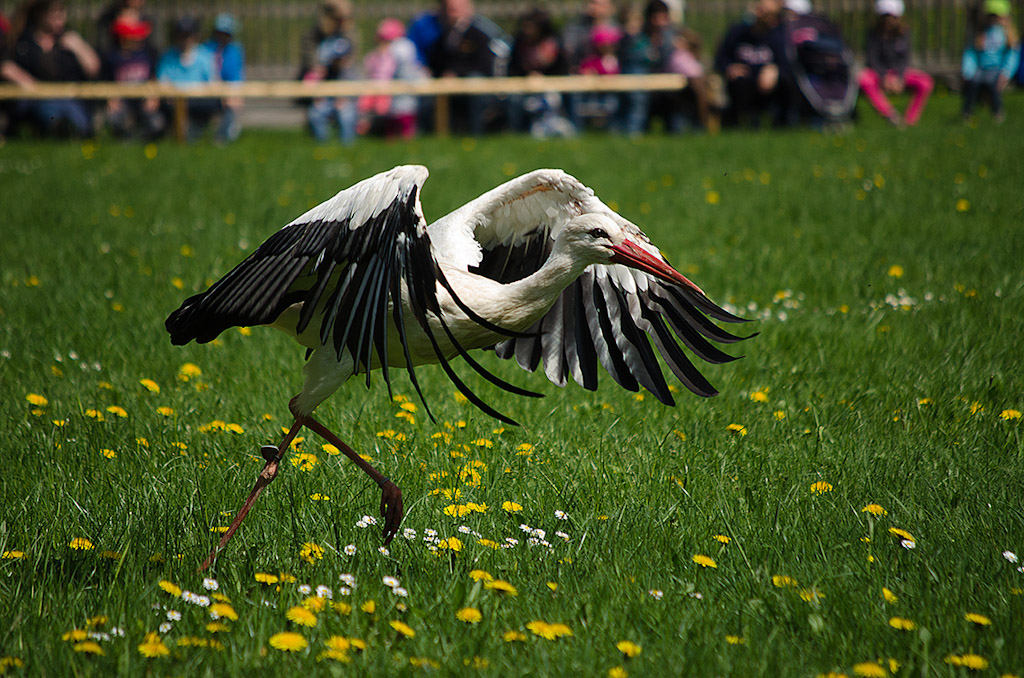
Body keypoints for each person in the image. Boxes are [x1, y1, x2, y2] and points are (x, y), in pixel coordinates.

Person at [5, 0, 100, 137]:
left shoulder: (69, 40)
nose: (60, 19)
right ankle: (60, 129)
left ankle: (72, 130)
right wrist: (29, 83)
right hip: (37, 98)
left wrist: (80, 48)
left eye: (62, 14)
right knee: (48, 110)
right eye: (54, 15)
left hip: (69, 97)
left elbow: (94, 69)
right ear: (40, 15)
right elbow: (7, 66)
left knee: (81, 121)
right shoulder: (23, 42)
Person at [428, 0, 510, 135]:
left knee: (474, 81)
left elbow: (486, 64)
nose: (450, 14)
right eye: (448, 10)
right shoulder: (446, 33)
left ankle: (475, 132)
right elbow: (439, 60)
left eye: (454, 10)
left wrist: (457, 73)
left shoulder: (480, 31)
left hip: (482, 82)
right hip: (450, 81)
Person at [857, 0, 932, 126]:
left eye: (892, 17)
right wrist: (883, 77)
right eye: (886, 17)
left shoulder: (904, 33)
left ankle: (910, 120)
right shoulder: (873, 33)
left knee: (925, 82)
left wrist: (900, 77)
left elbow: (905, 59)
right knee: (864, 79)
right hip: (879, 73)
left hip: (900, 73)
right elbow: (872, 59)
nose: (889, 21)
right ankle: (889, 114)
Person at [157, 15, 231, 142]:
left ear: (195, 36)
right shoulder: (167, 58)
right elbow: (162, 83)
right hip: (173, 102)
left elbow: (214, 84)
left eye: (188, 35)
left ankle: (219, 138)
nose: (185, 39)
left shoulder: (205, 57)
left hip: (199, 101)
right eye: (182, 35)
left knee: (224, 106)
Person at [713, 0, 786, 128]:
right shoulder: (737, 32)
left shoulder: (779, 36)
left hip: (768, 86)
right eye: (759, 9)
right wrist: (730, 67)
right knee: (739, 82)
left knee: (786, 81)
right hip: (742, 85)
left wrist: (775, 69)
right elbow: (720, 58)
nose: (759, 14)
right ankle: (740, 123)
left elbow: (788, 64)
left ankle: (783, 122)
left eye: (766, 13)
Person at [357, 18, 426, 139]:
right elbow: (367, 71)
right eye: (382, 41)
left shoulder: (397, 55)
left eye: (387, 41)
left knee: (393, 110)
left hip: (390, 92)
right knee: (364, 104)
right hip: (374, 89)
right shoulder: (374, 56)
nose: (384, 45)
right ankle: (365, 126)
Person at [300, 0, 357, 144]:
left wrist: (343, 93)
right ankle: (321, 147)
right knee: (316, 114)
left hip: (342, 89)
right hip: (320, 89)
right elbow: (312, 68)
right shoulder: (313, 38)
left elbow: (348, 70)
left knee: (346, 114)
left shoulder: (348, 37)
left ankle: (348, 148)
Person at [507, 9, 571, 136]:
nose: (526, 30)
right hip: (524, 84)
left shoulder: (553, 43)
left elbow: (563, 68)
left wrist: (545, 77)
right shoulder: (519, 43)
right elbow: (512, 68)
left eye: (530, 27)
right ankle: (516, 131)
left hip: (553, 83)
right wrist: (527, 75)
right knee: (514, 99)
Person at [101, 13, 163, 139]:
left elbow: (154, 78)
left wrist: (153, 97)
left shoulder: (148, 54)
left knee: (157, 124)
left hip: (144, 102)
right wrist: (110, 98)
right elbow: (106, 81)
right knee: (116, 122)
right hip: (122, 103)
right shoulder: (112, 56)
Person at [961, 0, 1019, 123]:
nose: (994, 20)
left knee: (994, 84)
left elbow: (1011, 56)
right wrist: (968, 71)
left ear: (1006, 18)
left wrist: (1006, 73)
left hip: (997, 69)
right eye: (991, 16)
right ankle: (967, 112)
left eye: (997, 17)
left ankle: (997, 112)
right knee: (973, 82)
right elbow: (970, 53)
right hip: (981, 68)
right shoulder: (980, 34)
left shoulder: (1007, 35)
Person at [203, 12, 243, 143]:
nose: (222, 37)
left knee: (232, 102)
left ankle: (222, 136)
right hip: (206, 89)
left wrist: (231, 94)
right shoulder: (206, 49)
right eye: (220, 33)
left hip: (226, 91)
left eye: (226, 34)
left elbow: (235, 78)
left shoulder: (235, 51)